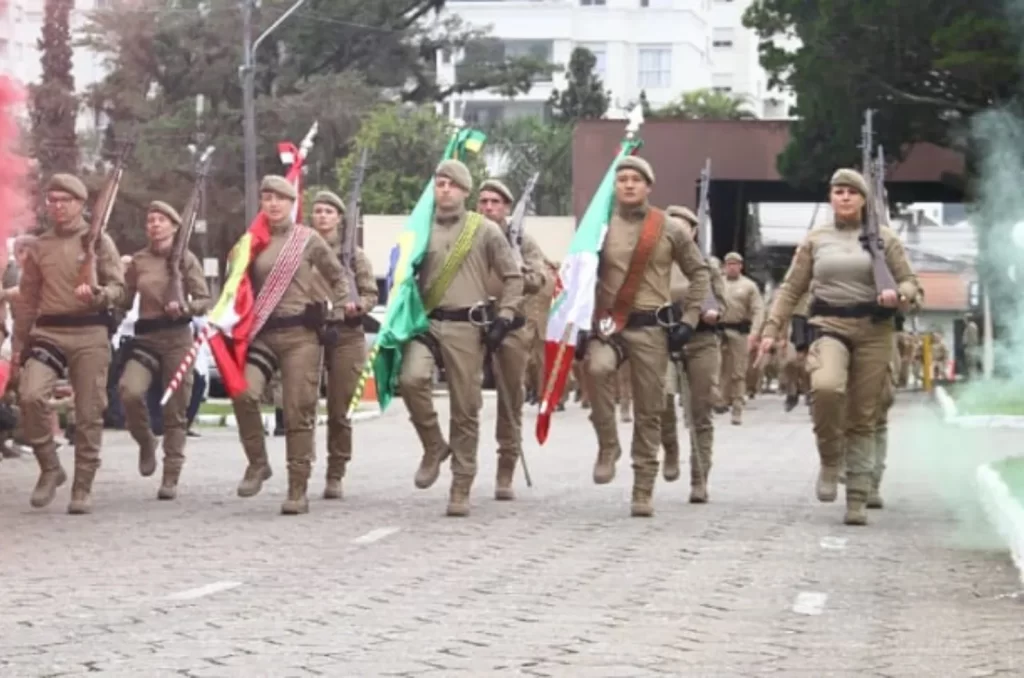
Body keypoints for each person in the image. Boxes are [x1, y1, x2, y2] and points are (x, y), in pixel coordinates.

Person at [755, 168, 920, 526]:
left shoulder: (885, 240)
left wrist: (900, 294)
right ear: (830, 198)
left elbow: (911, 283)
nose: (843, 197)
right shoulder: (816, 239)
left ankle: (858, 495)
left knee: (864, 414)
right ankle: (831, 460)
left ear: (863, 199)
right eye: (837, 191)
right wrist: (771, 330)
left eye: (851, 192)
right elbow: (791, 288)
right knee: (826, 387)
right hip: (829, 326)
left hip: (875, 331)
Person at [581, 156, 710, 517]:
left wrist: (689, 318)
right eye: (622, 179)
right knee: (596, 369)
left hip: (651, 326)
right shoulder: (599, 225)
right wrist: (577, 322)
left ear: (649, 186)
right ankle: (608, 445)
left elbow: (699, 273)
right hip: (609, 326)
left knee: (650, 408)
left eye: (636, 179)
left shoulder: (669, 228)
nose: (628, 184)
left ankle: (643, 487)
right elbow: (578, 274)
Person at [399, 159, 523, 517]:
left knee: (465, 407)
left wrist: (505, 316)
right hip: (426, 324)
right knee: (411, 379)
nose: (445, 189)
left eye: (452, 184)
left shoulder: (484, 230)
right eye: (439, 183)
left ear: (466, 191)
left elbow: (513, 277)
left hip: (467, 327)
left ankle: (461, 484)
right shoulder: (420, 227)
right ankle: (434, 445)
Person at [231, 175, 348, 515]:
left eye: (280, 198)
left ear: (291, 203)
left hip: (301, 338)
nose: (273, 204)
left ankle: (298, 487)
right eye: (266, 198)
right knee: (243, 392)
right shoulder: (251, 241)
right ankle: (257, 462)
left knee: (298, 410)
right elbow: (235, 288)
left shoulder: (307, 239)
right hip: (263, 334)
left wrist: (337, 313)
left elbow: (338, 277)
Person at [17, 173, 125, 514]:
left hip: (90, 333)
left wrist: (99, 294)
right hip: (49, 332)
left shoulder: (98, 242)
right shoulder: (39, 246)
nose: (59, 207)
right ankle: (50, 466)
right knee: (31, 394)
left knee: (89, 410)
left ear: (81, 204)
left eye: (66, 200)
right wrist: (20, 343)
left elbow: (119, 290)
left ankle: (83, 485)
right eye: (53, 201)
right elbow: (27, 299)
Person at [118, 200, 211, 499]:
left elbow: (204, 299)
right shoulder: (139, 261)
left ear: (174, 226)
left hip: (177, 339)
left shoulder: (187, 260)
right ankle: (146, 440)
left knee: (176, 409)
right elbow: (124, 298)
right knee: (129, 391)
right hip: (146, 338)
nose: (154, 224)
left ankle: (171, 473)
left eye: (161, 220)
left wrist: (184, 306)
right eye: (150, 220)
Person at [475, 178, 547, 500]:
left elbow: (539, 279)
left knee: (509, 398)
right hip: (472, 321)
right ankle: (462, 465)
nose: (488, 207)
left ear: (506, 207)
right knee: (465, 395)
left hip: (511, 325)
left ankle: (506, 469)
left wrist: (518, 271)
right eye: (484, 201)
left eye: (495, 202)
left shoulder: (522, 241)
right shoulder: (468, 236)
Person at [309, 190, 378, 499]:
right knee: (301, 403)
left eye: (328, 211)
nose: (322, 216)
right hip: (309, 331)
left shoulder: (354, 256)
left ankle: (336, 471)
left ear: (339, 218)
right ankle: (301, 465)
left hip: (346, 334)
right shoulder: (303, 250)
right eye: (318, 211)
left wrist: (357, 305)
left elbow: (371, 294)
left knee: (340, 408)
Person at [659, 204, 725, 503]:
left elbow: (723, 305)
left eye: (683, 225)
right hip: (663, 339)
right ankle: (670, 447)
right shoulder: (656, 262)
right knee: (659, 397)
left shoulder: (707, 265)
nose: (676, 230)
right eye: (670, 224)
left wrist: (713, 311)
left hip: (701, 341)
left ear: (694, 232)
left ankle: (700, 479)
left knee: (700, 410)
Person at [715, 252, 763, 425]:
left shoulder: (749, 286)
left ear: (741, 266)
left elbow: (758, 310)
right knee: (717, 368)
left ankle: (737, 408)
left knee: (738, 371)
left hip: (739, 331)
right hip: (718, 331)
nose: (732, 267)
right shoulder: (717, 284)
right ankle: (719, 401)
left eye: (735, 264)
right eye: (729, 264)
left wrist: (755, 333)